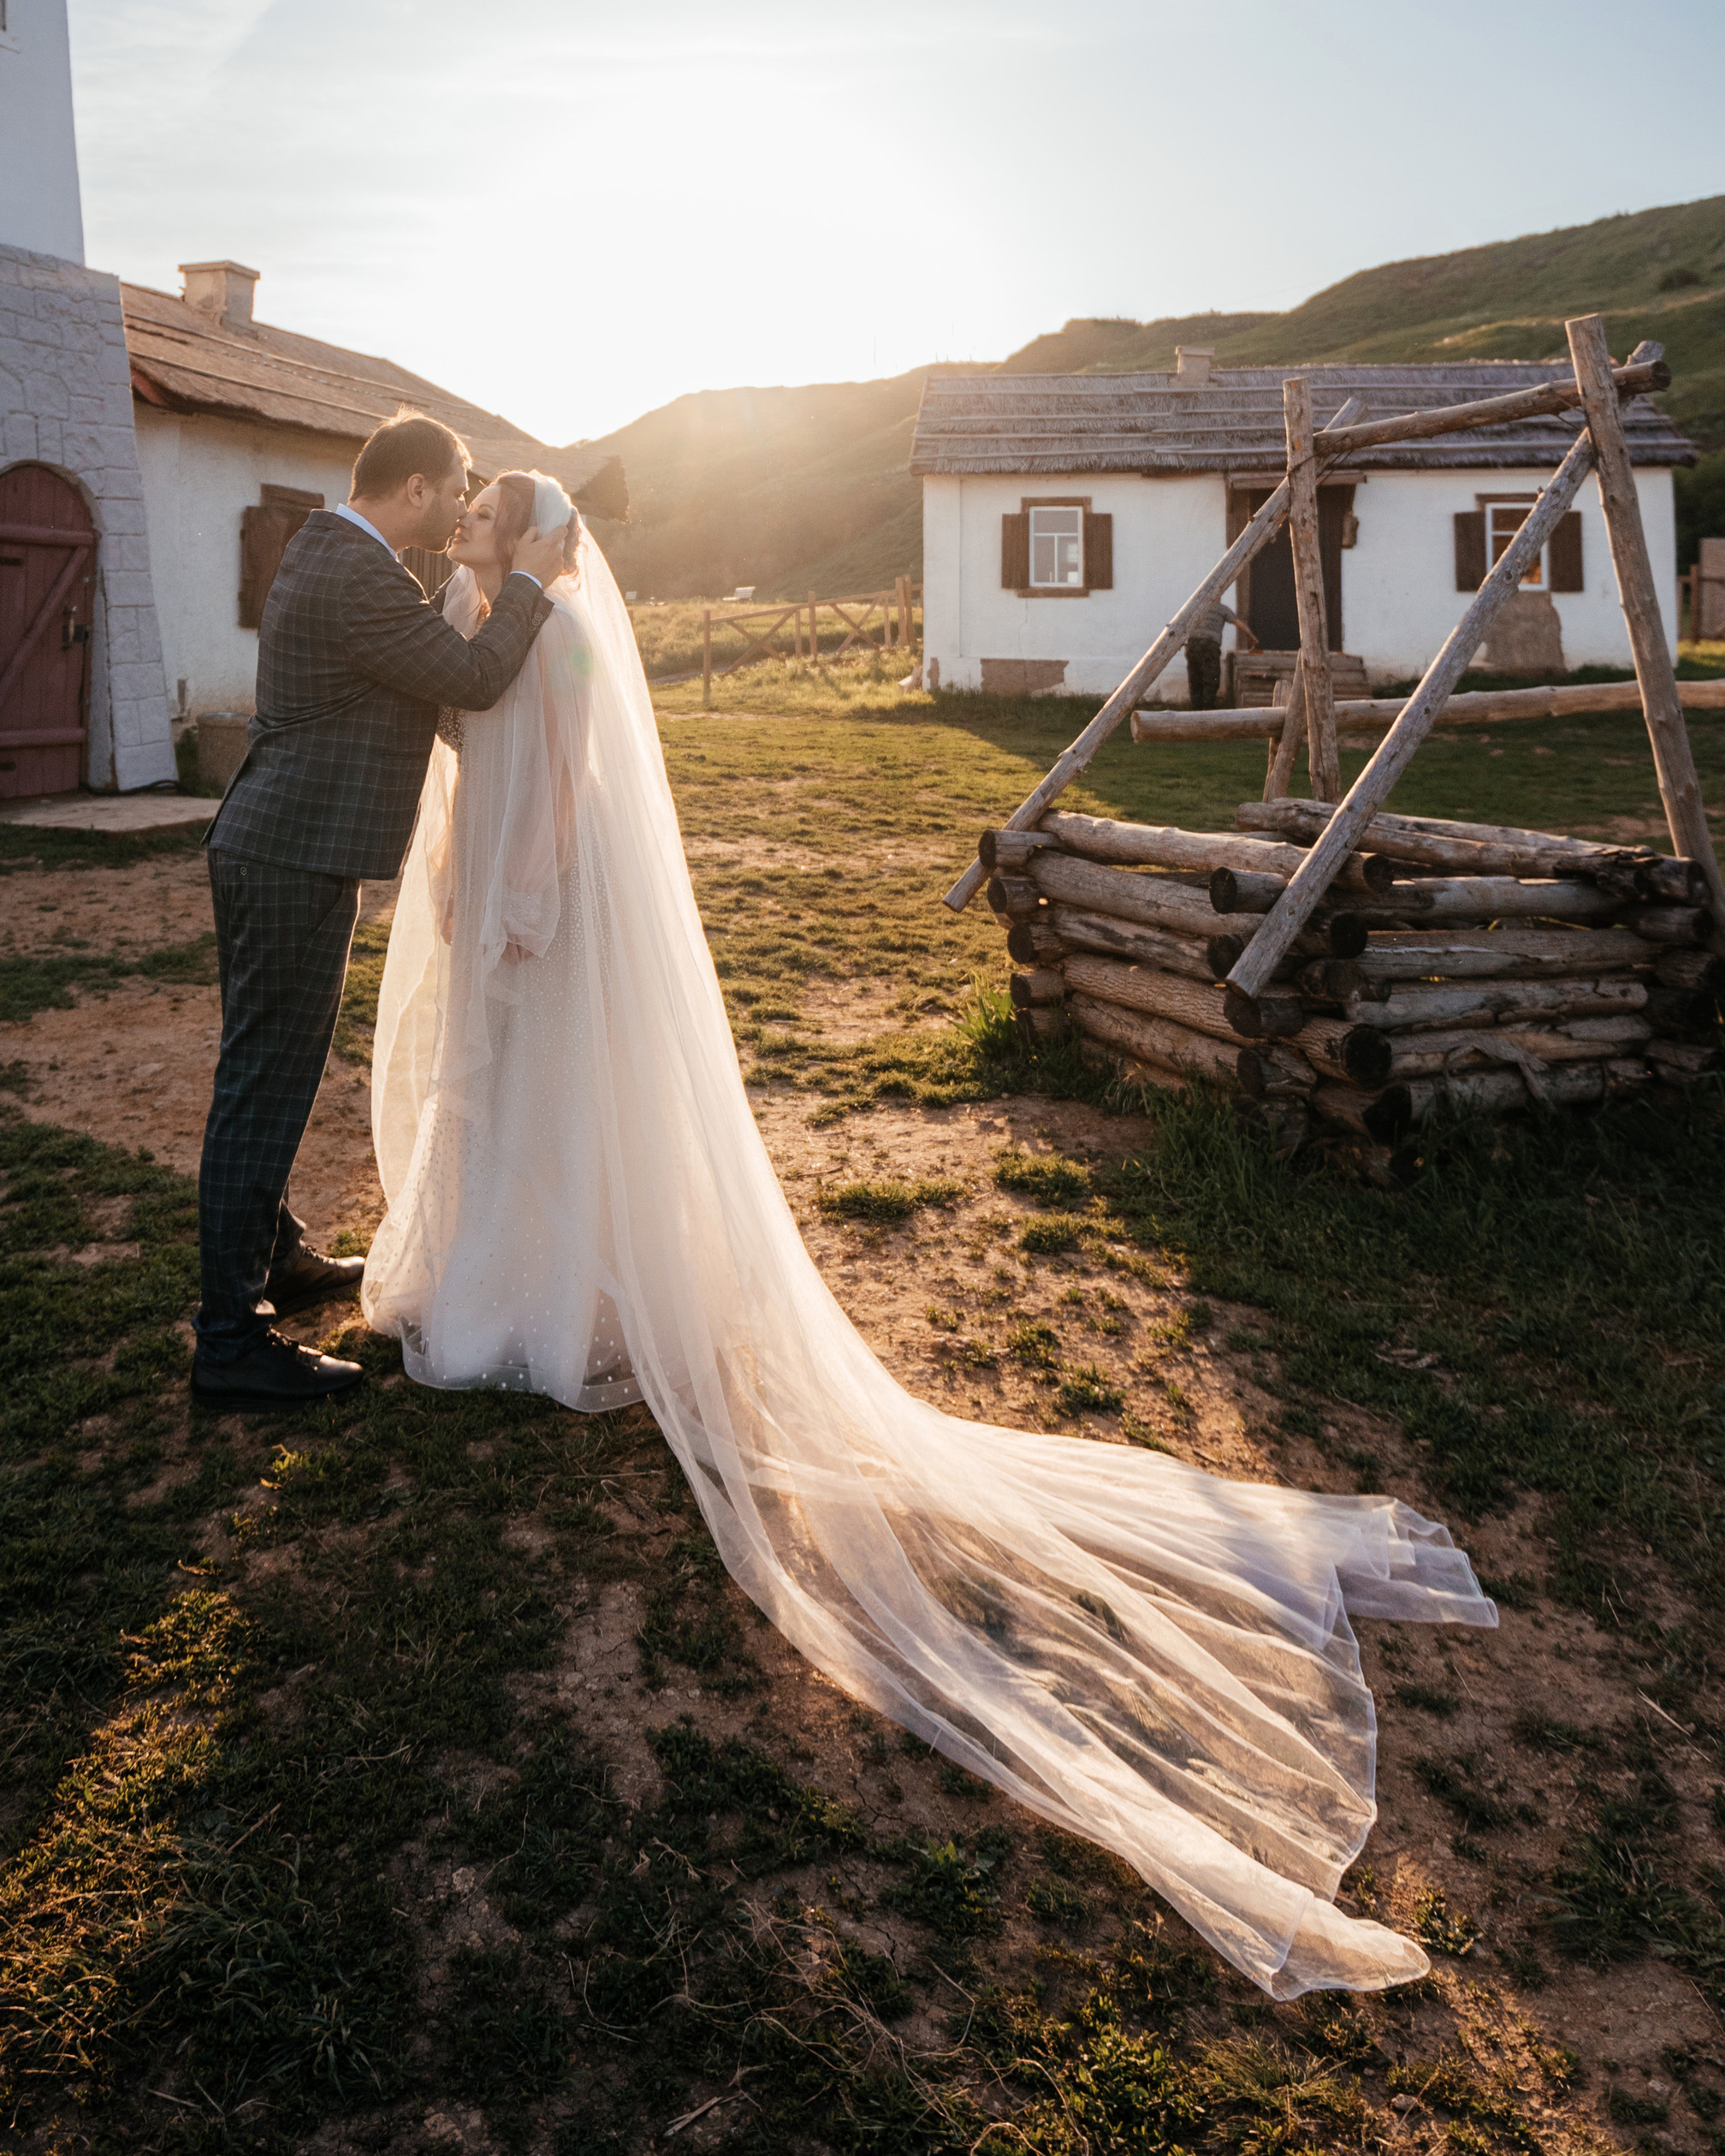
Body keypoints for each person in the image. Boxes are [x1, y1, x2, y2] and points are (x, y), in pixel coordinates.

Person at [363, 486, 1497, 2002]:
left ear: (532, 538)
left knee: (558, 1100)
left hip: (546, 908)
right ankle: (502, 1268)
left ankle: (559, 1294)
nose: (468, 520)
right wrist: (452, 869)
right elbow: (464, 758)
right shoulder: (469, 624)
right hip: (489, 900)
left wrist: (520, 887)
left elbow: (564, 778)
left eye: (490, 509)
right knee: (496, 1100)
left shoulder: (559, 631)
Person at [193, 409, 572, 1411]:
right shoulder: (357, 570)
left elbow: (426, 698)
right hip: (288, 854)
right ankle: (230, 1340)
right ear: (415, 488)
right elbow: (475, 681)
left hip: (286, 850)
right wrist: (529, 582)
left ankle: (272, 1258)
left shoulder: (340, 557)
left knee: (268, 1071)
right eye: (455, 489)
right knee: (263, 1087)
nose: (457, 509)